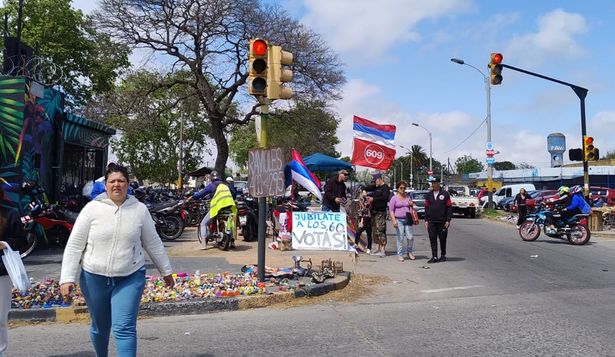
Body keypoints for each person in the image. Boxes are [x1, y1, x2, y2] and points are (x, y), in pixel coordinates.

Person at [60, 165, 174, 357]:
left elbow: (152, 242)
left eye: (121, 181)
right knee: (100, 328)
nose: (116, 185)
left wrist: (166, 270)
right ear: (105, 185)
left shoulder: (139, 210)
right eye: (112, 181)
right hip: (93, 277)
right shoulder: (92, 209)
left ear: (127, 185)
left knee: (124, 327)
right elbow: (74, 245)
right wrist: (66, 278)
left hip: (130, 277)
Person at [0, 185, 27, 357]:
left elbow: (22, 242)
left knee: (0, 319)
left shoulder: (9, 214)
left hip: (1, 274)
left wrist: (5, 244)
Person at [190, 171, 236, 250]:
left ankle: (204, 244)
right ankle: (232, 242)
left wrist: (193, 196)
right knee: (230, 223)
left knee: (203, 223)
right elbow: (233, 193)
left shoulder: (211, 186)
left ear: (211, 178)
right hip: (228, 207)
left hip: (217, 208)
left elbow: (200, 194)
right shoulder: (225, 185)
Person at [424, 177, 453, 263]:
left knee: (442, 238)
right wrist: (426, 220)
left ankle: (443, 255)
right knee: (432, 238)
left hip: (442, 221)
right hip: (431, 221)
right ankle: (434, 256)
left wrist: (448, 220)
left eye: (435, 182)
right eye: (432, 183)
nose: (433, 184)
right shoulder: (428, 195)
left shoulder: (445, 194)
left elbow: (449, 207)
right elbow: (426, 208)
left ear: (439, 183)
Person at [364, 173, 390, 258]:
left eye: (375, 181)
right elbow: (368, 187)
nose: (374, 183)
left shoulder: (385, 187)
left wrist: (373, 199)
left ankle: (383, 249)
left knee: (381, 230)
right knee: (375, 231)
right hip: (373, 212)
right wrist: (364, 190)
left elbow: (384, 197)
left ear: (379, 179)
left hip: (381, 212)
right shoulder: (376, 187)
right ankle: (378, 248)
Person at [388, 181, 415, 262]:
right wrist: (393, 221)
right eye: (401, 188)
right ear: (398, 188)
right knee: (400, 237)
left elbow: (411, 208)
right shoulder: (394, 198)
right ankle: (400, 254)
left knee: (410, 237)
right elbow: (391, 210)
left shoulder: (408, 197)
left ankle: (409, 252)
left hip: (408, 219)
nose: (403, 189)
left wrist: (411, 205)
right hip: (398, 219)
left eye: (404, 188)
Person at [355, 190, 372, 254]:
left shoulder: (369, 201)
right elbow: (361, 213)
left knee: (369, 235)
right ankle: (356, 244)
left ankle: (369, 248)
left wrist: (367, 201)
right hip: (364, 221)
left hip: (369, 221)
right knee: (358, 231)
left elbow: (369, 208)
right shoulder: (362, 202)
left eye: (365, 193)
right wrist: (361, 222)